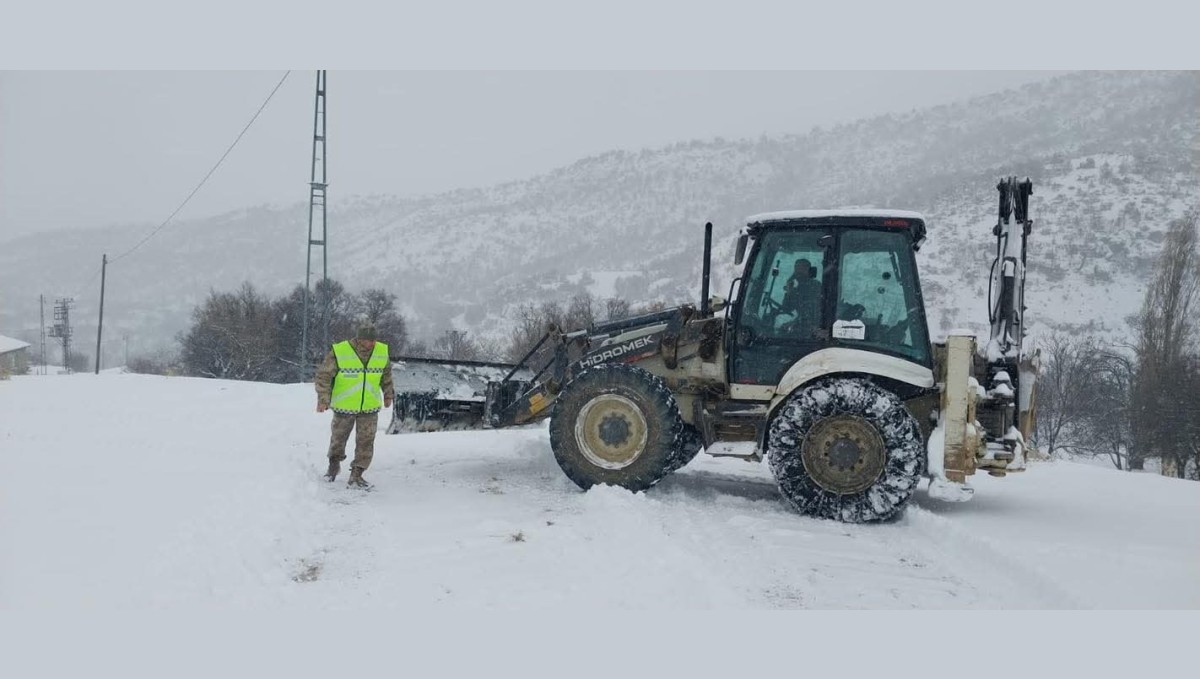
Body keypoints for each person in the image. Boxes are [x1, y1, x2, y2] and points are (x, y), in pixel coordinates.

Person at [315, 324, 394, 488]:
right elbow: (324, 375)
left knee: (366, 442)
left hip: (369, 407)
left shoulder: (381, 351)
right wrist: (323, 399)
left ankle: (357, 474)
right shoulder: (341, 351)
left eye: (373, 340)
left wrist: (388, 394)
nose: (371, 344)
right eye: (367, 340)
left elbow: (386, 375)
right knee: (338, 439)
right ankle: (333, 465)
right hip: (344, 407)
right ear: (358, 339)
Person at [779, 259, 821, 335]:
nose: (798, 272)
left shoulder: (815, 287)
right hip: (804, 325)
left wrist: (794, 323)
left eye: (802, 269)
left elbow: (810, 314)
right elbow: (787, 308)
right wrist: (789, 292)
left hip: (815, 328)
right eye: (796, 269)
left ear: (809, 271)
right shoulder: (798, 289)